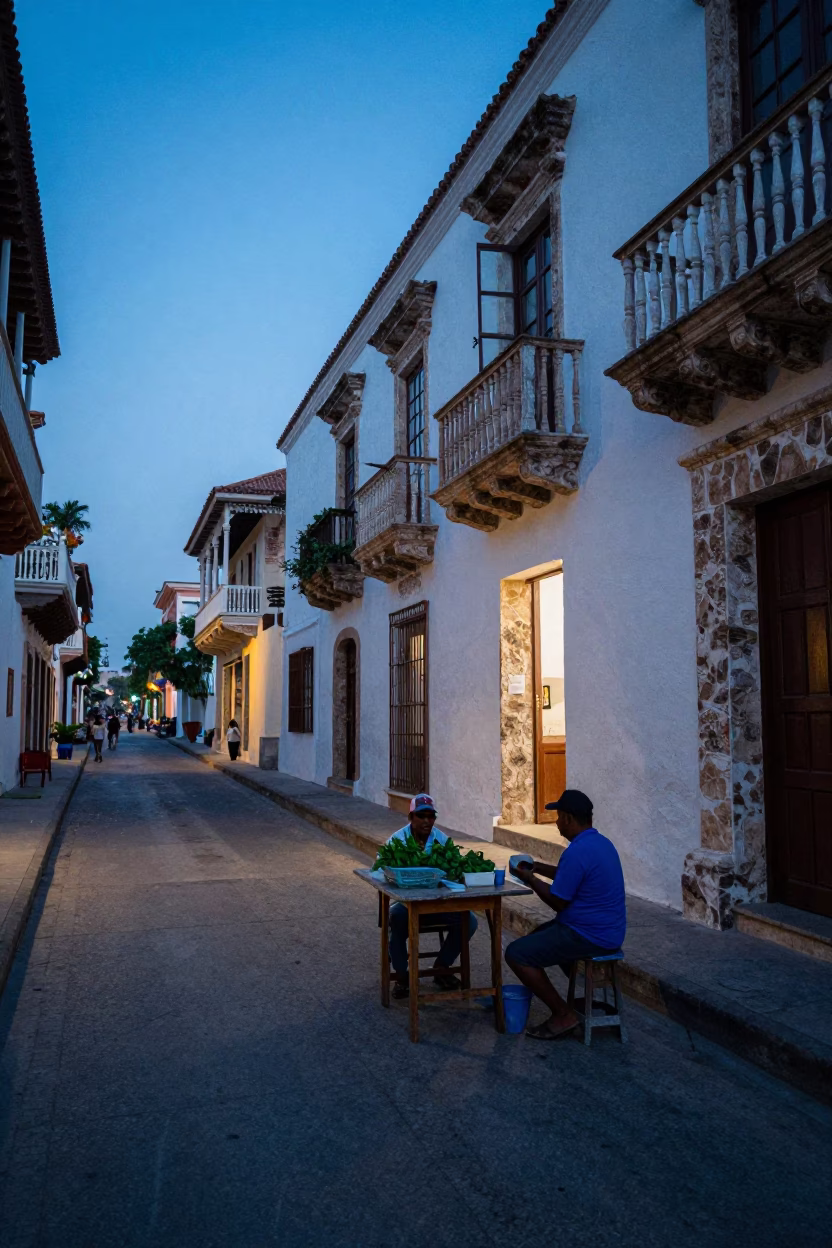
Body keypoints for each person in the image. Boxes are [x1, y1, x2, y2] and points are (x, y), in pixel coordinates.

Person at [505, 790, 626, 1040]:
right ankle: (580, 998)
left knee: (516, 954)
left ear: (569, 819)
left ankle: (563, 1014)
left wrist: (530, 879)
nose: (557, 823)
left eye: (559, 817)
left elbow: (558, 901)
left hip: (589, 935)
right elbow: (568, 875)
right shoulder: (601, 843)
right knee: (539, 936)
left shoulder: (577, 851)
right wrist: (538, 866)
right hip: (607, 930)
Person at [385, 793, 477, 1000]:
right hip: (406, 905)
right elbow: (383, 870)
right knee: (396, 919)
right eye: (421, 816)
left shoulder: (442, 840)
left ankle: (442, 966)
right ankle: (402, 976)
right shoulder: (397, 840)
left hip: (437, 904)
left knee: (468, 921)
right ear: (411, 817)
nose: (427, 821)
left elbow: (456, 868)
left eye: (430, 816)